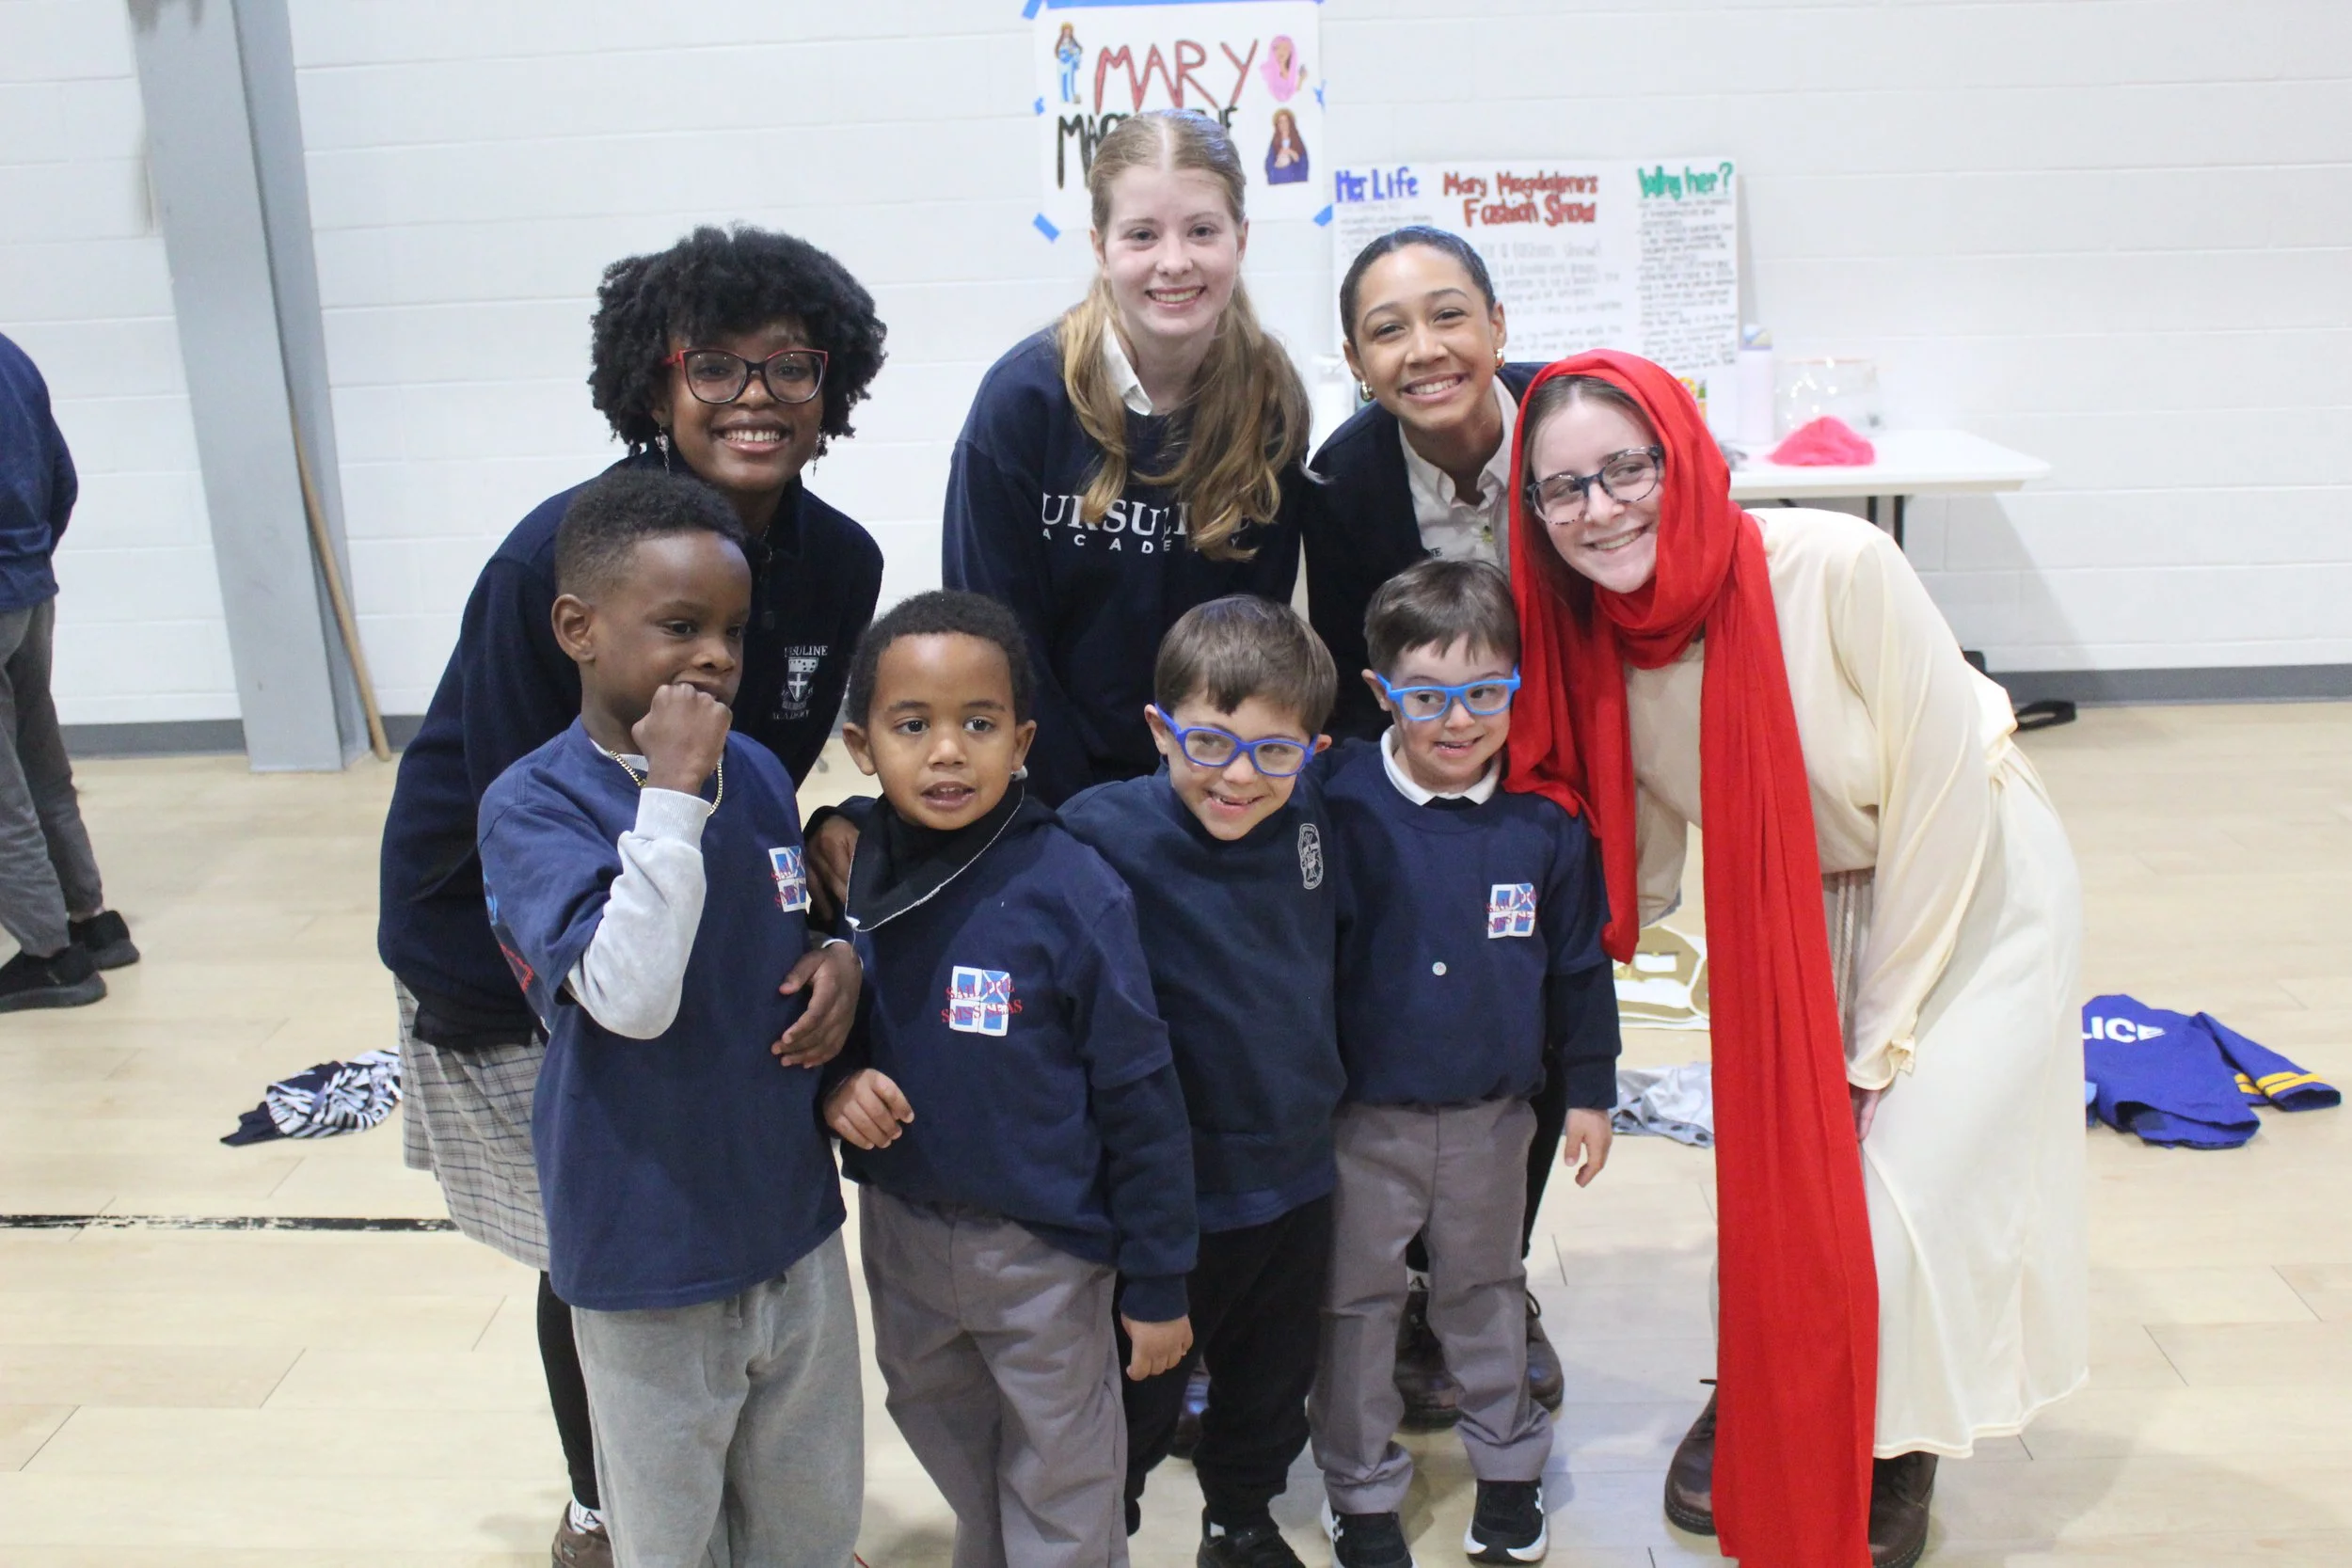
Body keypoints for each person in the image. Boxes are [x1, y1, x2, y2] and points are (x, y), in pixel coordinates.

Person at [1504, 351, 2088, 1568]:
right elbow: (1643, 861)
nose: (1600, 507)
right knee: (1779, 1171)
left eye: (1627, 467)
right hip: (1797, 899)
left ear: (1684, 457)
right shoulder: (1595, 637)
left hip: (1972, 884)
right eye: (1564, 489)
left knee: (1892, 1183)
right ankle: (1768, 1384)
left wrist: (1884, 1029)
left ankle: (1887, 1439)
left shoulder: (1833, 565)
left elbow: (1939, 793)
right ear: (1535, 513)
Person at [374, 224, 882, 1567]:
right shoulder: (569, 554)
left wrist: (826, 927)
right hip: (516, 935)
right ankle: (606, 1493)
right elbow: (522, 802)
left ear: (835, 390)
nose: (757, 393)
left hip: (697, 914)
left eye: (792, 364)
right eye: (717, 364)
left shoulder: (839, 563)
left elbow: (773, 777)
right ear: (653, 385)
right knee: (592, 1226)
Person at [477, 470, 862, 1568]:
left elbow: (775, 934)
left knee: (808, 1520)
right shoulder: (535, 803)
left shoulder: (749, 769)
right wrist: (671, 797)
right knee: (671, 1535)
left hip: (787, 1219)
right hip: (646, 1246)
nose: (717, 658)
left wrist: (840, 959)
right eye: (681, 626)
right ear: (578, 628)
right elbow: (630, 996)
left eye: (734, 631)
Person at [822, 591, 1197, 1568]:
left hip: (1044, 1250)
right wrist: (839, 1080)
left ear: (1021, 738)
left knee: (1064, 1471)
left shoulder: (1073, 888)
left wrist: (1157, 1278)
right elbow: (819, 1022)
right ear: (863, 745)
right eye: (914, 725)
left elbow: (1142, 1098)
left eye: (977, 724)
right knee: (942, 1423)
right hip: (903, 1234)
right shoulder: (856, 868)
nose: (947, 751)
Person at [1311, 558, 1620, 1568]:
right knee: (1354, 1305)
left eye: (1486, 692)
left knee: (1482, 1294)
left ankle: (1509, 1470)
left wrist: (1591, 1092)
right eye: (1427, 696)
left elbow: (1577, 968)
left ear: (1516, 690)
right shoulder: (1331, 795)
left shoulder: (1547, 822)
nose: (1457, 719)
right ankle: (1359, 1489)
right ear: (1380, 693)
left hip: (1494, 1118)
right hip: (1360, 1118)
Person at [1305, 228, 1558, 1422]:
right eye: (1387, 328)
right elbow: (1361, 660)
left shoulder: (1571, 426)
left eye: (1448, 314)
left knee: (1539, 1009)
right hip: (1432, 759)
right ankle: (1408, 1281)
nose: (1424, 348)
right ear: (1356, 358)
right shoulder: (1344, 480)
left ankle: (1492, 1274)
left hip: (1568, 761)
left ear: (1499, 326)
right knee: (1419, 1000)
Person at [1060, 596, 1347, 1568]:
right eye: (1209, 743)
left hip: (1299, 1174)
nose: (1238, 776)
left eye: (1275, 751)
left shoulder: (1311, 818)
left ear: (1314, 748)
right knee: (1138, 1395)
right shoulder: (1096, 833)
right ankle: (1109, 1528)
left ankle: (1241, 1518)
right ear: (1158, 728)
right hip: (1168, 1194)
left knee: (1272, 1382)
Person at [941, 108, 1311, 807]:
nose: (1175, 261)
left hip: (1203, 789)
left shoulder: (1271, 401)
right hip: (1044, 790)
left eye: (1202, 230)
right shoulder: (1022, 402)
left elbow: (1251, 634)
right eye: (1142, 234)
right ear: (1100, 245)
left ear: (1241, 237)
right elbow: (992, 635)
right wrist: (1075, 812)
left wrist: (1195, 794)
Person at [0, 330, 137, 1012]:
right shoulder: (11, 357)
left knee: (4, 795)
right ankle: (93, 921)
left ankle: (50, 956)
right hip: (28, 586)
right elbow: (63, 475)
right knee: (40, 764)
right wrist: (29, 560)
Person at [1263, 110, 1310, 186]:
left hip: (1294, 178)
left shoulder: (1297, 140)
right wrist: (1277, 165)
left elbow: (1303, 162)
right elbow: (1269, 164)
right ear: (1277, 125)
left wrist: (1291, 153)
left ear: (1290, 123)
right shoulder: (1275, 142)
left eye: (1286, 121)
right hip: (1279, 179)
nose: (1283, 124)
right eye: (1280, 122)